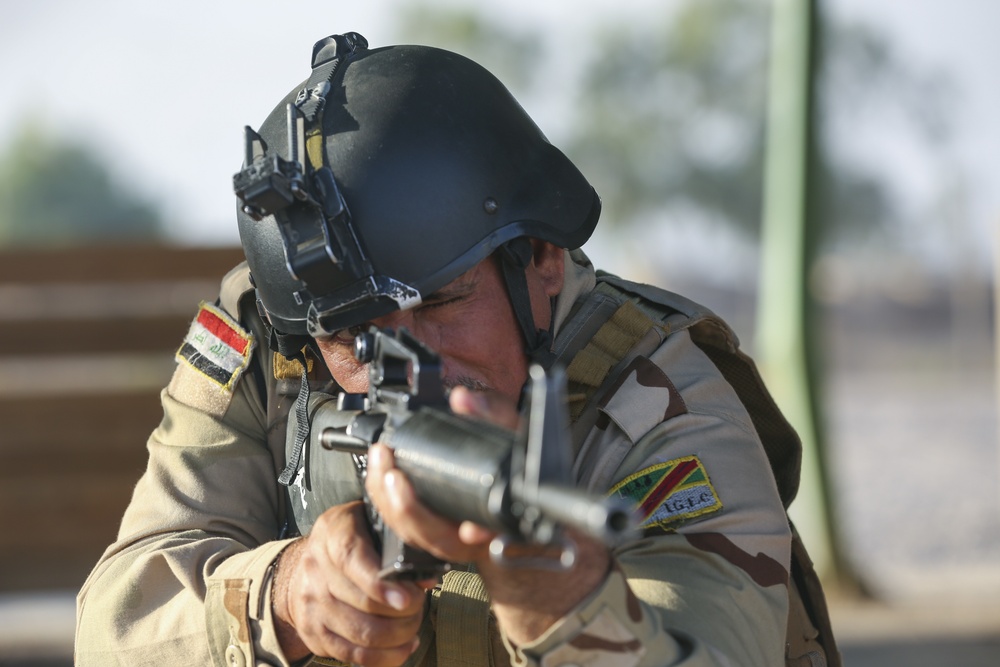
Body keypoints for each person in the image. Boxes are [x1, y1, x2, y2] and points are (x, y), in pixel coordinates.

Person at [75, 32, 839, 667]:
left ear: (540, 257)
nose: (407, 362)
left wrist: (556, 597)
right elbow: (111, 625)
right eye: (350, 335)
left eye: (439, 301)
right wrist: (282, 597)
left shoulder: (660, 409)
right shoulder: (272, 343)